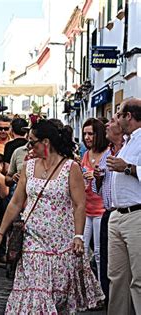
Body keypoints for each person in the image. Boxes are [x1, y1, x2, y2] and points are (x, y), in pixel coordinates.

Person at [0, 120, 104, 313]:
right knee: (33, 294)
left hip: (62, 244)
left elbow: (79, 204)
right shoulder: (29, 167)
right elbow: (16, 202)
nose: (29, 147)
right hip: (33, 241)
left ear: (46, 142)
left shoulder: (70, 167)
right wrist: (0, 233)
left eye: (32, 142)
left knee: (56, 297)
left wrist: (78, 236)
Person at [106, 99, 141, 314]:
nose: (117, 119)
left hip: (136, 214)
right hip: (118, 214)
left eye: (119, 114)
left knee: (139, 279)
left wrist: (127, 168)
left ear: (129, 116)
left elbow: (130, 170)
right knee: (117, 278)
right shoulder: (128, 142)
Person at [92, 116, 124, 306]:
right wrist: (97, 178)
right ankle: (107, 298)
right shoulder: (107, 153)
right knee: (105, 262)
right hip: (108, 212)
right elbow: (100, 187)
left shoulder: (129, 150)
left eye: (111, 121)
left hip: (125, 212)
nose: (106, 125)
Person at [81, 118, 109, 282]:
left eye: (90, 133)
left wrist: (96, 176)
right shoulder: (86, 154)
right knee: (82, 250)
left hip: (100, 209)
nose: (87, 137)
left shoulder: (107, 154)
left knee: (98, 252)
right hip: (86, 208)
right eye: (85, 134)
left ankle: (100, 288)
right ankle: (86, 289)